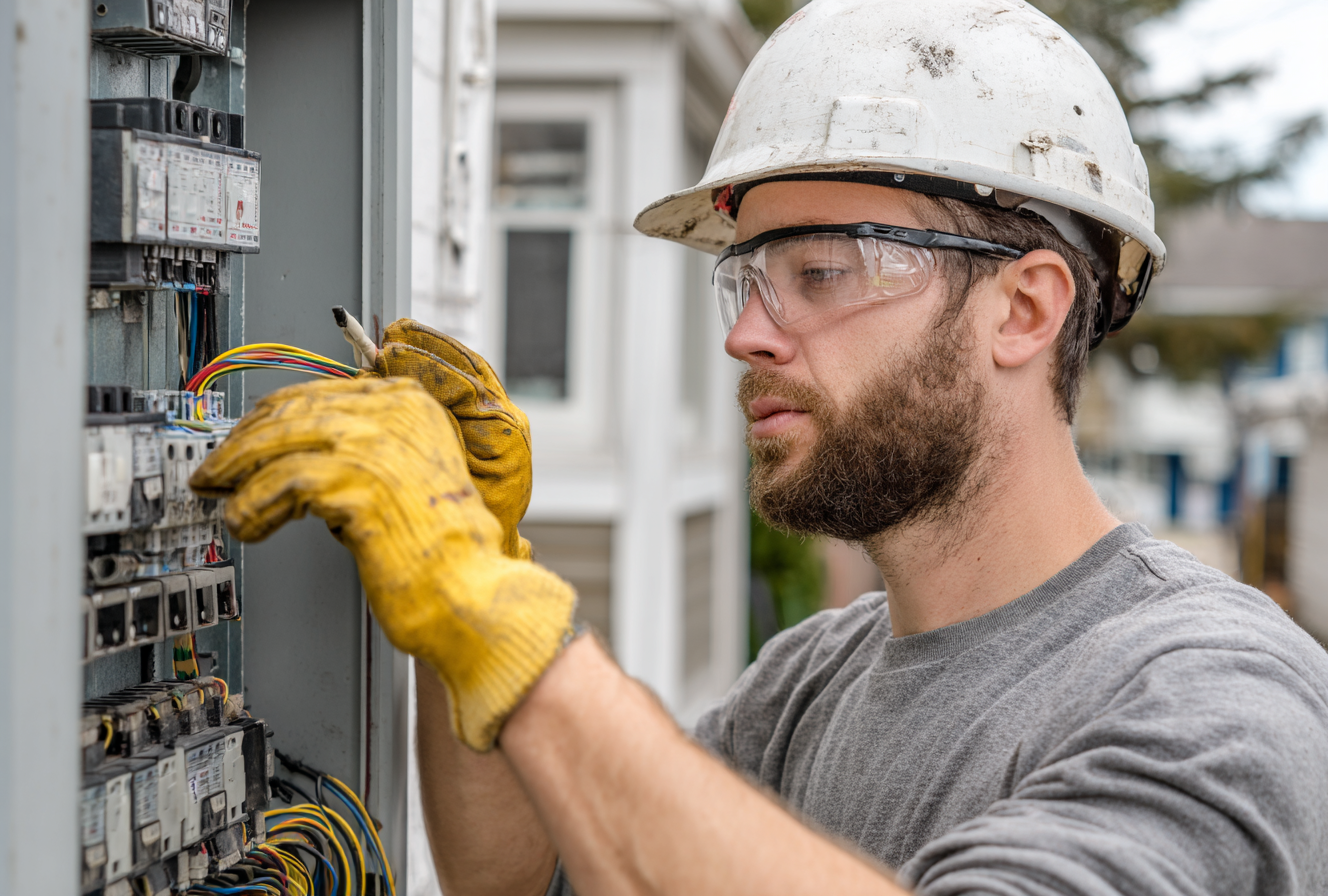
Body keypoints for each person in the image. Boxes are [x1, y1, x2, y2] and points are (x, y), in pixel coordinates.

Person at [191, 0, 1328, 893]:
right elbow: (526, 873)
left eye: (819, 274)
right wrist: (478, 566)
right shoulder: (808, 682)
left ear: (1022, 312)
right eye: (746, 277)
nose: (743, 332)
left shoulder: (1215, 699)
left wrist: (504, 625)